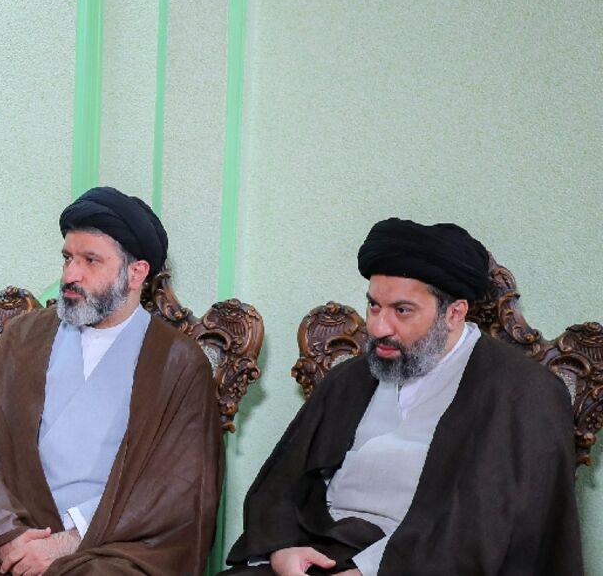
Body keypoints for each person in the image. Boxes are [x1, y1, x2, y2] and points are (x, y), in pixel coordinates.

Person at [221, 218, 584, 576]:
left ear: (454, 313)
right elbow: (281, 487)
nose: (378, 327)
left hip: (419, 565)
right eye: (374, 306)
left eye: (402, 310)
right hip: (319, 554)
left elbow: (490, 530)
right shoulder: (350, 378)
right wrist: (282, 551)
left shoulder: (522, 394)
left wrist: (366, 572)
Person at [0, 187, 223, 575]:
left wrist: (70, 540)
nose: (70, 275)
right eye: (67, 258)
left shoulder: (178, 362)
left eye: (90, 260)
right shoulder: (24, 335)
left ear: (136, 273)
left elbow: (177, 490)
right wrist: (9, 536)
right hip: (8, 535)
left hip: (110, 546)